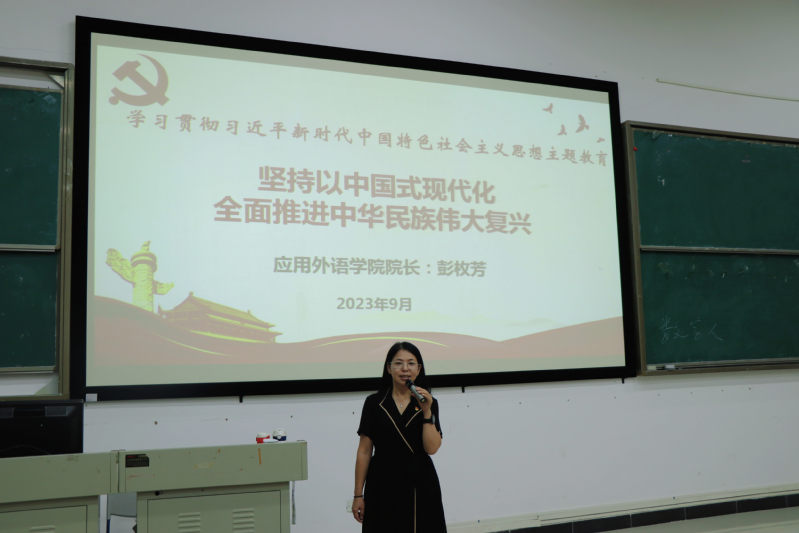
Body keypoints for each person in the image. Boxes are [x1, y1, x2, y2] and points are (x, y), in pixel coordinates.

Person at [352, 341, 447, 532]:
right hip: (382, 481)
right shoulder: (374, 403)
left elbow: (432, 448)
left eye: (411, 363)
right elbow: (364, 451)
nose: (405, 369)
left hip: (420, 483)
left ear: (419, 369)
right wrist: (358, 495)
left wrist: (427, 411)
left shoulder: (428, 402)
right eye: (398, 363)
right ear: (388, 368)